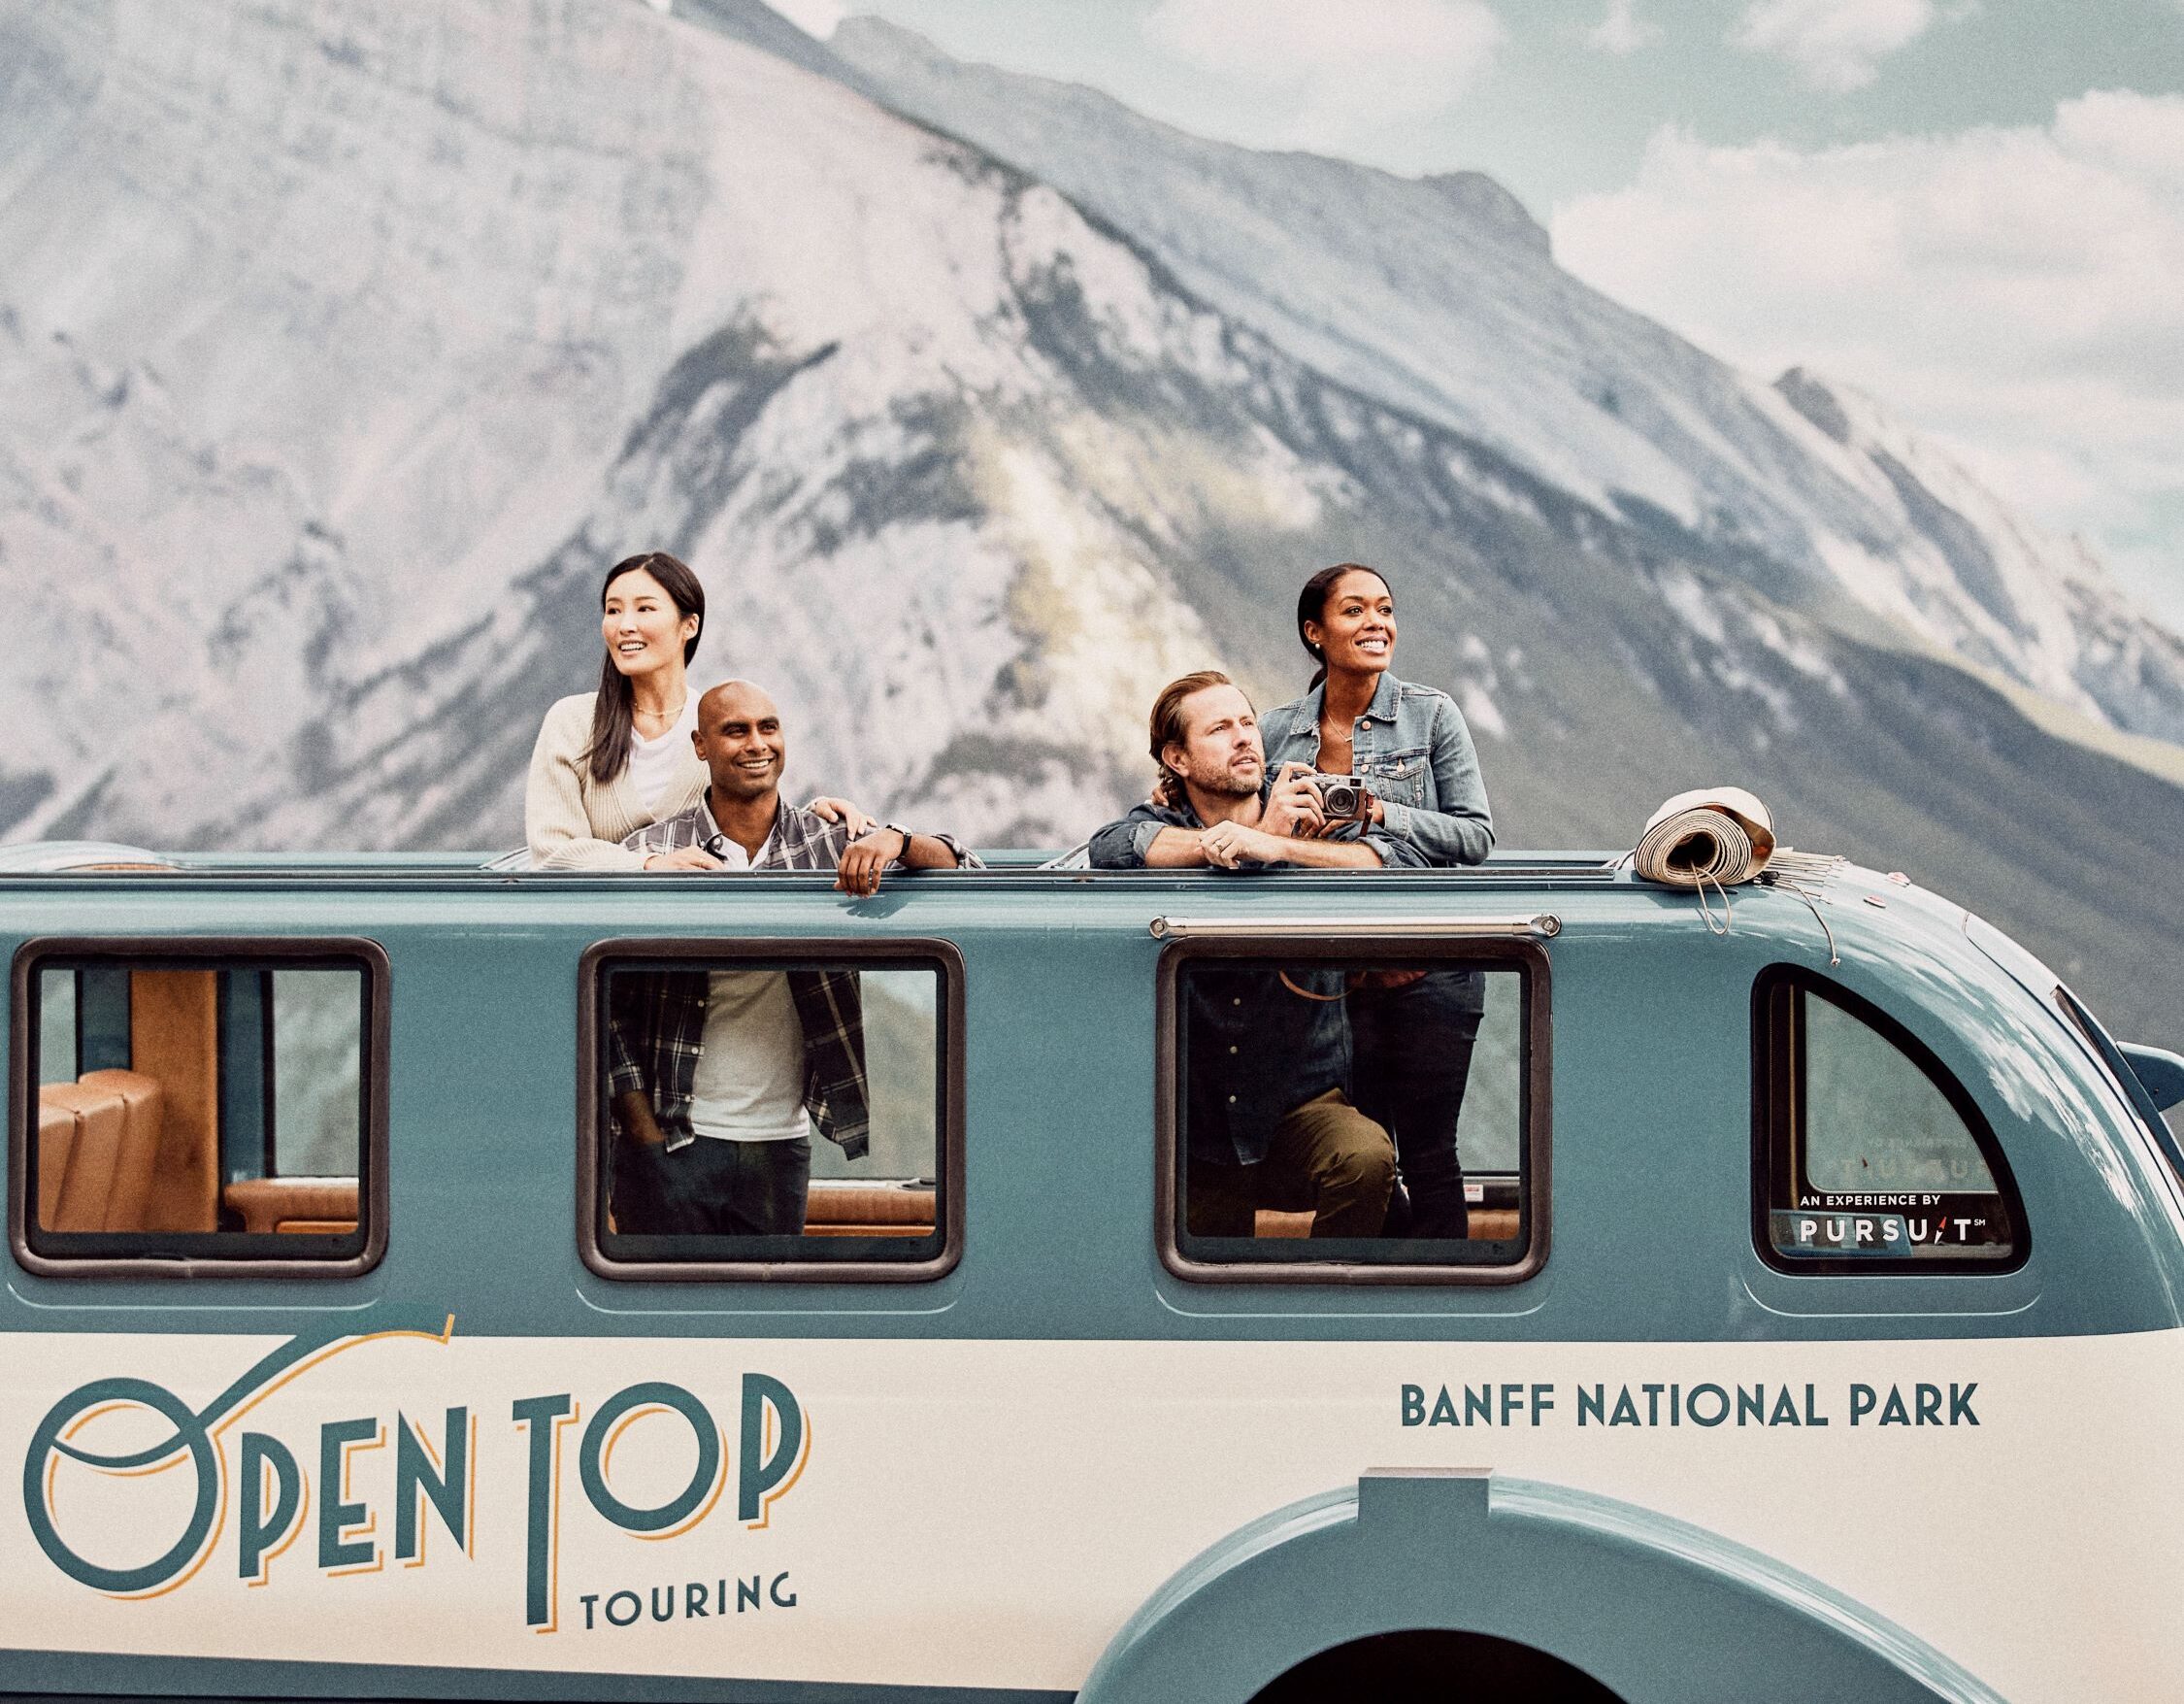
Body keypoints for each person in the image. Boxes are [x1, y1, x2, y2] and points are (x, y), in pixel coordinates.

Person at [605, 680, 975, 1237]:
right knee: (664, 1323)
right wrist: (644, 1135)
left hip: (779, 1149)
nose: (757, 744)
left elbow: (969, 872)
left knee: (766, 1325)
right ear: (701, 747)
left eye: (768, 728)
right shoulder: (654, 851)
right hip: (671, 1140)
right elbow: (602, 1004)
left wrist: (898, 838)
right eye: (736, 731)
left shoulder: (826, 843)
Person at [1088, 671, 1415, 1239]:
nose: (1245, 738)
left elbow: (1401, 864)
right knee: (1201, 1273)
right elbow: (1112, 848)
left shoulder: (1310, 813)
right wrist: (1241, 842)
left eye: (1247, 722)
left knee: (1365, 1158)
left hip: (1303, 1106)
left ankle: (1326, 1307)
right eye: (1219, 729)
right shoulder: (1159, 826)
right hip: (1198, 1124)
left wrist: (1280, 844)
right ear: (1178, 759)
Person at [1259, 563, 1494, 1239]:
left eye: (1385, 609)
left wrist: (1380, 811)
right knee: (1367, 1157)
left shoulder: (1432, 714)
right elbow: (1247, 824)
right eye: (1355, 610)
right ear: (1315, 631)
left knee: (1429, 1154)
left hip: (1431, 971)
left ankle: (1443, 1317)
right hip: (1329, 982)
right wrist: (1170, 795)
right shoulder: (1275, 732)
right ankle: (1383, 1301)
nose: (1376, 624)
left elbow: (1476, 836)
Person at [525, 551, 871, 871]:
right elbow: (551, 852)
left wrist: (817, 818)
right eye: (613, 610)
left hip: (693, 922)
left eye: (644, 609)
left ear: (689, 625)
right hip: (604, 932)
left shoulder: (718, 723)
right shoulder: (571, 722)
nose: (624, 625)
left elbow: (750, 812)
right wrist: (648, 864)